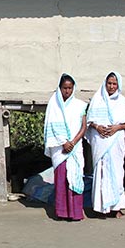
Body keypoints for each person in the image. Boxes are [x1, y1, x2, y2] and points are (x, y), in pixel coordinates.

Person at [86, 72, 125, 217]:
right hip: (100, 142)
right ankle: (101, 208)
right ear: (105, 83)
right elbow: (89, 120)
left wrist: (116, 128)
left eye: (114, 84)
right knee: (100, 173)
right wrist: (97, 127)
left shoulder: (122, 101)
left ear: (118, 85)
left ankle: (117, 207)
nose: (111, 87)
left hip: (115, 141)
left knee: (117, 173)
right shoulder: (97, 99)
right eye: (109, 83)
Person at [43, 74, 88, 221]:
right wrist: (63, 142)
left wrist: (73, 142)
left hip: (75, 147)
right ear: (60, 88)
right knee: (62, 181)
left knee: (75, 178)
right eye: (64, 88)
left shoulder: (80, 105)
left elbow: (83, 127)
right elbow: (51, 125)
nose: (67, 91)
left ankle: (75, 212)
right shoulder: (53, 105)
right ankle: (62, 212)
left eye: (70, 88)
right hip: (60, 148)